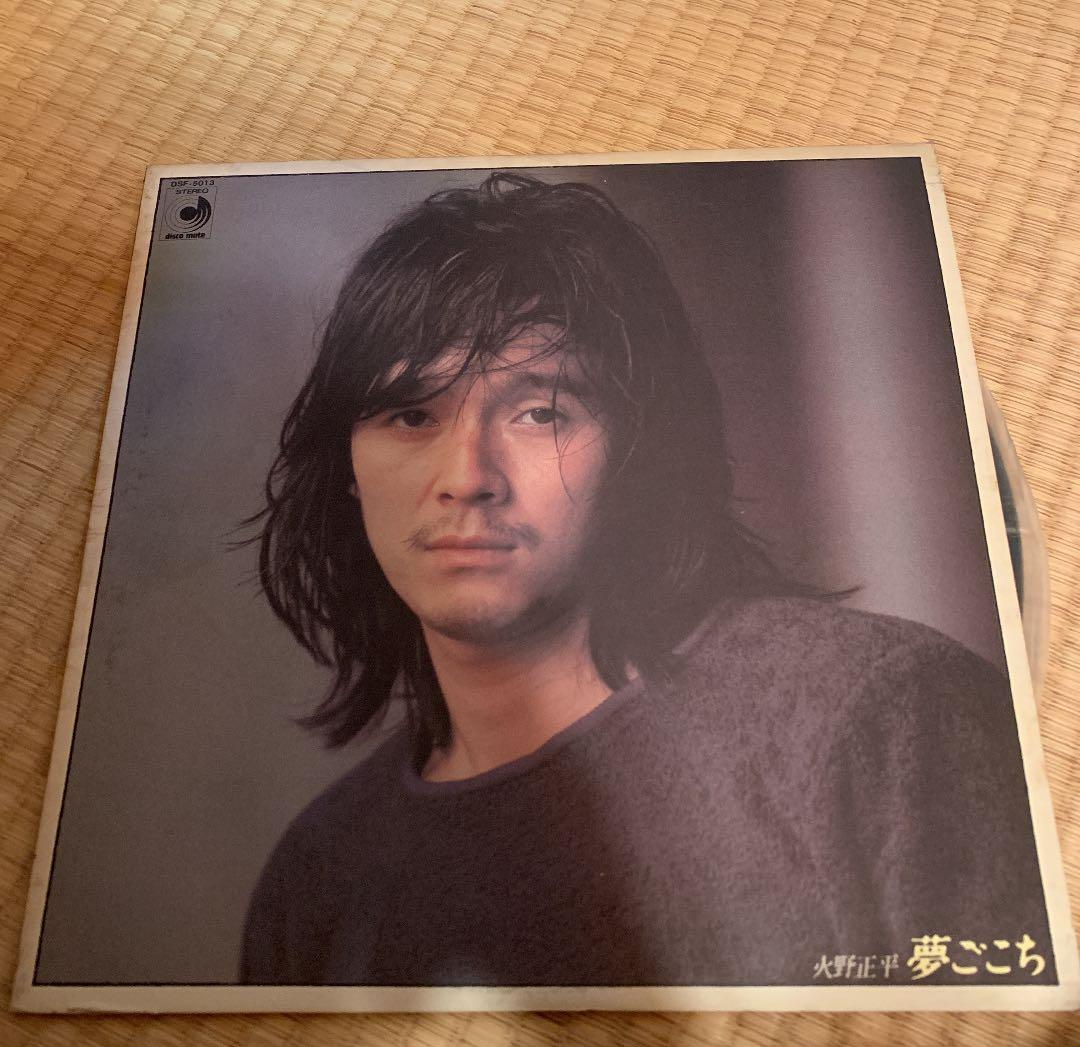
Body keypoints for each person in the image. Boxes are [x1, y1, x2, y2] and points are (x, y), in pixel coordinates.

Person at [241, 172, 1053, 988]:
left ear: (639, 449)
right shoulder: (320, 875)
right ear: (348, 470)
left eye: (541, 413)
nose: (467, 479)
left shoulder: (877, 716)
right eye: (412, 415)